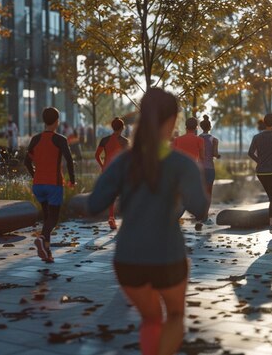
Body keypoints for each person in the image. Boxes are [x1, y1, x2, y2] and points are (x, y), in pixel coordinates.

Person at [88, 88, 207, 355]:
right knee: (175, 316)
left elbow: (95, 204)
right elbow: (199, 207)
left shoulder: (123, 161)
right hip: (168, 256)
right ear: (173, 119)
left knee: (152, 319)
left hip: (127, 259)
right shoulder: (182, 164)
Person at [24, 108, 76, 263]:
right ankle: (41, 238)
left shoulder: (35, 139)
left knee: (47, 217)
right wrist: (72, 180)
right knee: (53, 218)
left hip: (38, 185)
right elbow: (69, 160)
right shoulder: (60, 139)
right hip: (54, 184)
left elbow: (26, 162)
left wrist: (35, 176)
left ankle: (47, 252)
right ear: (57, 121)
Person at [248, 113, 272, 233]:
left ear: (264, 123)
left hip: (261, 172)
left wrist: (259, 161)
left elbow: (250, 153)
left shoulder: (256, 137)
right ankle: (271, 225)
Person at [95, 117, 130, 230]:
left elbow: (97, 155)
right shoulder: (125, 141)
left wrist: (102, 166)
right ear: (122, 128)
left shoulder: (104, 140)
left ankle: (111, 217)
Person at [199, 115, 220, 222]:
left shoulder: (197, 138)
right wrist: (218, 156)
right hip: (210, 168)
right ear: (210, 127)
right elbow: (215, 154)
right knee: (208, 192)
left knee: (199, 191)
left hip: (199, 168)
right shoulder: (214, 140)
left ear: (201, 127)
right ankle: (205, 215)